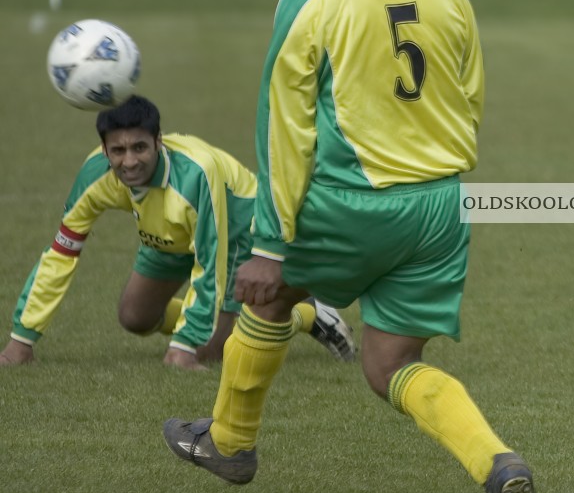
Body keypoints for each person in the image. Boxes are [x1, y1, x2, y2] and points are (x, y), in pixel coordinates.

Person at [161, 0, 540, 493]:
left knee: (270, 294)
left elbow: (285, 130)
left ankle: (230, 440)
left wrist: (272, 246)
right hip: (440, 207)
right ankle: (498, 462)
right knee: (394, 363)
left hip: (351, 201)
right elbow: (472, 99)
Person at [1, 96, 356, 371]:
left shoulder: (196, 175)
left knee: (214, 351)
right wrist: (22, 340)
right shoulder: (95, 174)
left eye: (139, 147)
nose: (128, 162)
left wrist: (183, 346)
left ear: (159, 141)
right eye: (118, 151)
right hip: (168, 230)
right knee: (134, 317)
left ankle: (306, 313)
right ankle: (234, 320)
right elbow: (60, 256)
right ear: (105, 149)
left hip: (235, 227)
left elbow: (209, 259)